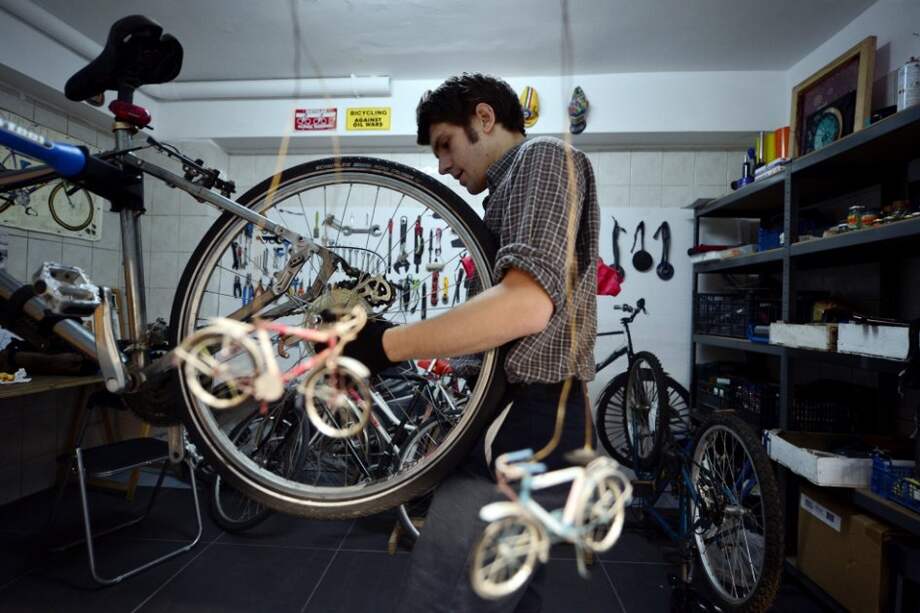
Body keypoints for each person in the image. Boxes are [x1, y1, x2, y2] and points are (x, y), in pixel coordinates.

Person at [344, 73, 600, 613]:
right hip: (527, 418)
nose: (442, 166)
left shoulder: (541, 159)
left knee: (446, 598)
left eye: (445, 145)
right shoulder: (507, 190)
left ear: (484, 118)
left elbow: (524, 306)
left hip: (526, 420)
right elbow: (506, 317)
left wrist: (386, 344)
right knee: (506, 593)